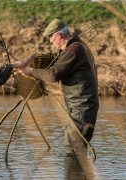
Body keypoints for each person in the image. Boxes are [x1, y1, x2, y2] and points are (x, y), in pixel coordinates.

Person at [20, 19, 99, 156]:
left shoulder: (74, 50)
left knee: (74, 150)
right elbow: (55, 58)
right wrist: (29, 59)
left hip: (82, 107)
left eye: (51, 37)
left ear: (59, 35)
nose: (51, 41)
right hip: (79, 106)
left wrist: (30, 71)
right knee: (73, 147)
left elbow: (53, 75)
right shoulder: (75, 46)